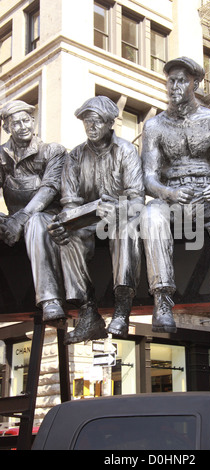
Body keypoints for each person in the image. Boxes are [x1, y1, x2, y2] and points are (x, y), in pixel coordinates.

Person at [140, 57, 210, 334]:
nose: (174, 86)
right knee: (150, 214)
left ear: (194, 83)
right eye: (170, 80)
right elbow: (148, 178)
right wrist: (169, 193)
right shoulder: (153, 126)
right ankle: (162, 299)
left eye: (181, 80)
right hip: (173, 197)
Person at [48, 96, 144, 344]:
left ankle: (122, 309)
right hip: (87, 222)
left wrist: (118, 210)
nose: (91, 127)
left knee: (126, 228)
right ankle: (87, 311)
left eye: (97, 121)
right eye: (87, 122)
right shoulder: (75, 156)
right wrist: (63, 224)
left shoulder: (126, 151)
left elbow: (137, 200)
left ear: (110, 123)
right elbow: (69, 204)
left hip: (120, 218)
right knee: (66, 237)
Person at [0, 100, 66, 323]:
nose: (23, 126)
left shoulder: (53, 151)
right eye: (16, 123)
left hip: (46, 218)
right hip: (14, 222)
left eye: (26, 120)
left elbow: (50, 188)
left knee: (37, 221)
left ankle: (49, 299)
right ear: (7, 128)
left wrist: (21, 219)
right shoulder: (1, 156)